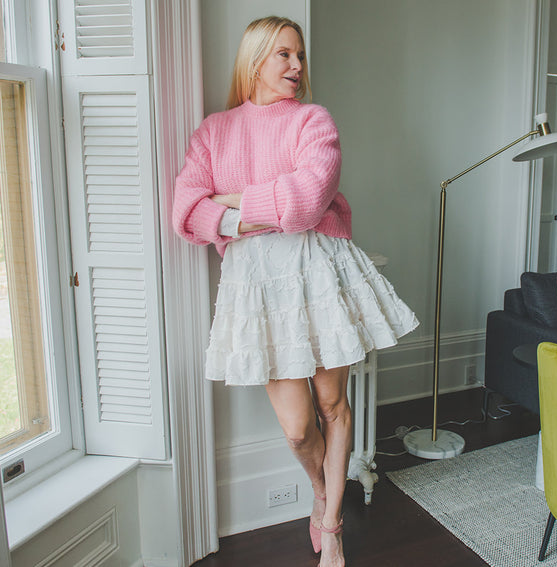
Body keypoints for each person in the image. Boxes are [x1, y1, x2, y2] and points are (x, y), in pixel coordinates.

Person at [172, 16, 418, 567]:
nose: (297, 65)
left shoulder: (313, 120)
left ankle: (331, 527)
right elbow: (185, 212)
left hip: (319, 271)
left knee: (333, 404)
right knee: (297, 427)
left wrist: (232, 199)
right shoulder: (214, 131)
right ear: (255, 60)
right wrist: (246, 213)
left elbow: (308, 202)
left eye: (300, 55)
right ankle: (322, 492)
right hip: (259, 288)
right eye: (284, 54)